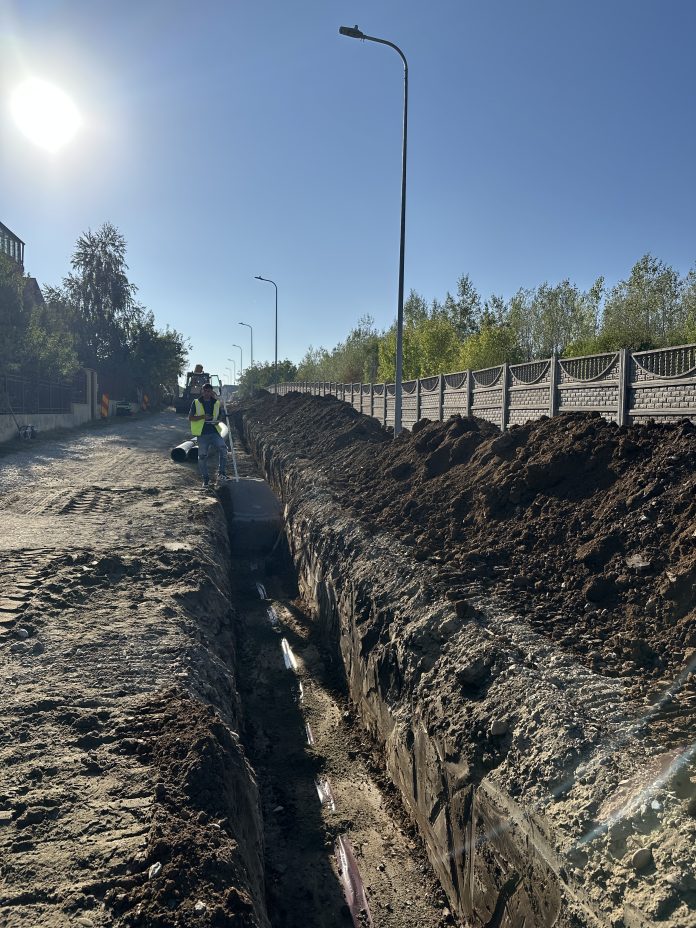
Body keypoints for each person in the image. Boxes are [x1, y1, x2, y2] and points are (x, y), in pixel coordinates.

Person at [188, 383, 229, 489]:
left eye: (209, 391)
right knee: (202, 456)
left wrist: (219, 418)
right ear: (202, 391)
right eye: (205, 391)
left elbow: (219, 416)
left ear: (211, 392)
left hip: (214, 432)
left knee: (223, 449)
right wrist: (203, 417)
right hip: (202, 434)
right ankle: (206, 479)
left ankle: (221, 473)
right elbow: (190, 418)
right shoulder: (196, 402)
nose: (207, 393)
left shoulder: (216, 403)